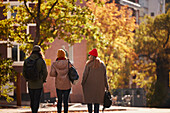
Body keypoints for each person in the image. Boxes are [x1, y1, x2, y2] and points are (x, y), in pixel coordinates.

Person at [81, 48, 109, 113]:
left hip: (89, 86)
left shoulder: (88, 65)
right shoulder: (102, 64)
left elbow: (85, 75)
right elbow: (105, 76)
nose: (89, 56)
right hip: (99, 87)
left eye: (89, 55)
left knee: (89, 102)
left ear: (92, 56)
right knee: (97, 102)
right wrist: (106, 86)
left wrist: (83, 83)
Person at [23, 45, 48, 113]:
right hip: (39, 83)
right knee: (37, 99)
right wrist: (43, 80)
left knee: (32, 99)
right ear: (39, 52)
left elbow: (24, 72)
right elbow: (45, 72)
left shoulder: (27, 60)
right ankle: (35, 111)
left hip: (30, 83)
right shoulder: (41, 61)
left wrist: (27, 79)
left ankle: (33, 110)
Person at [50, 49, 72, 113]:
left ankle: (59, 111)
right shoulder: (68, 63)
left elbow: (52, 74)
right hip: (67, 84)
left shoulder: (55, 64)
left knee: (59, 100)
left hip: (59, 85)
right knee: (66, 101)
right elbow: (72, 71)